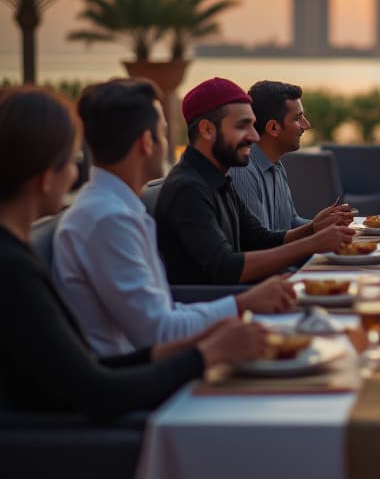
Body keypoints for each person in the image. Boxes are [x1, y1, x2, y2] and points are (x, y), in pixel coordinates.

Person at [0, 86, 268, 420]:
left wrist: (209, 344)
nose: (74, 175)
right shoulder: (92, 225)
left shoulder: (26, 252)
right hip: (96, 434)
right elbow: (98, 388)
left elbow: (91, 368)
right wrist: (206, 352)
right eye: (70, 161)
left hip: (119, 396)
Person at [54, 79, 298, 356]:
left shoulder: (117, 208)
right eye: (163, 133)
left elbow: (166, 310)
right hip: (141, 388)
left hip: (155, 369)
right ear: (147, 142)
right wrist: (241, 305)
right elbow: (158, 333)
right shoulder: (107, 218)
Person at [155, 77, 354, 284]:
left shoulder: (216, 179)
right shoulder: (188, 189)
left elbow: (259, 238)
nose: (254, 136)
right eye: (242, 126)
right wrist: (311, 243)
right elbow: (225, 267)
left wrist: (313, 229)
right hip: (221, 305)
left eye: (252, 125)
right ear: (207, 130)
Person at [229, 80, 355, 231]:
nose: (306, 125)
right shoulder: (243, 172)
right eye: (297, 118)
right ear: (273, 127)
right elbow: (260, 245)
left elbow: (291, 222)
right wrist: (315, 231)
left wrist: (324, 224)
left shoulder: (276, 165)